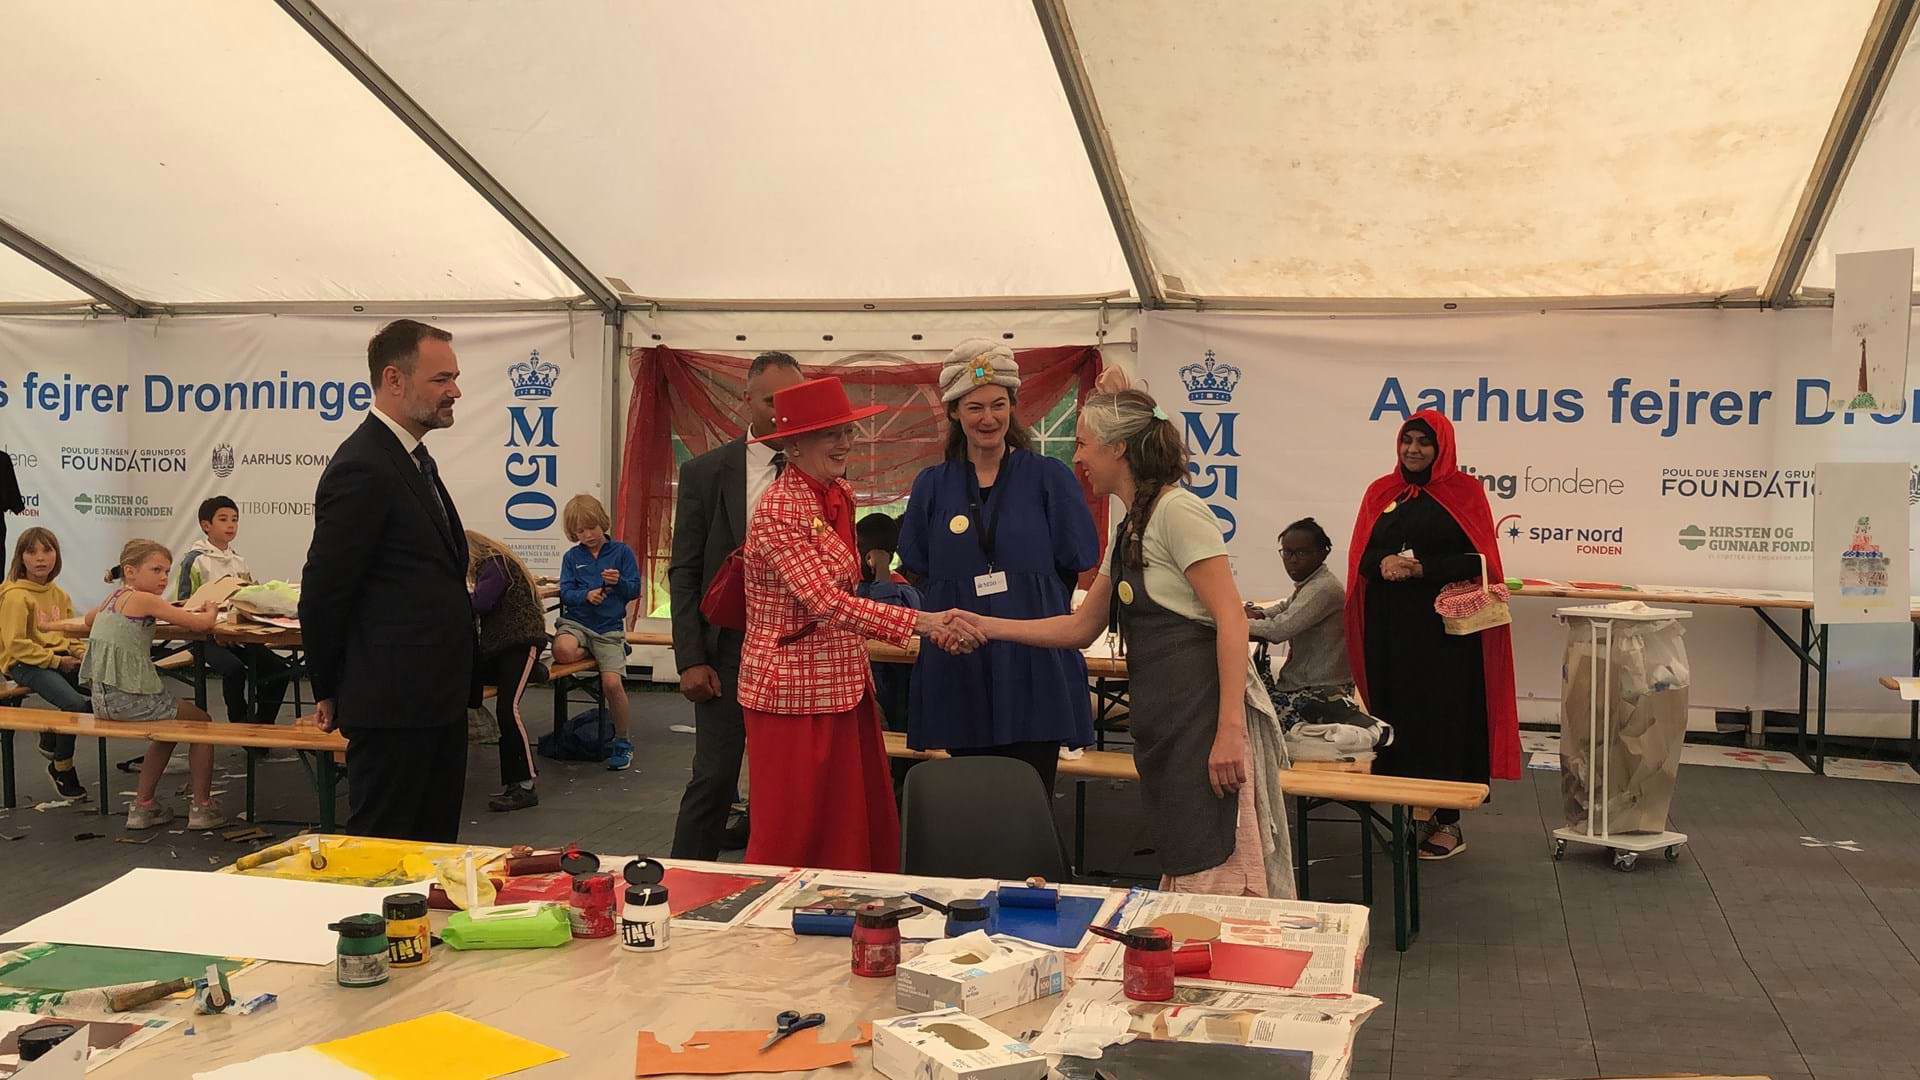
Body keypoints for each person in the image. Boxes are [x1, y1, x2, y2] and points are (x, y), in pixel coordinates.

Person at [959, 374, 1293, 897]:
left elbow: (1232, 619)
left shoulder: (1178, 512)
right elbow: (1080, 627)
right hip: (1169, 727)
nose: (1078, 458)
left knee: (1215, 864)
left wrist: (1230, 731)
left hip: (1203, 724)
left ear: (1118, 448)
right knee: (1189, 857)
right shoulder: (1132, 525)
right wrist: (985, 624)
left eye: (1084, 444)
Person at [738, 375, 979, 872]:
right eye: (830, 433)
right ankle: (774, 912)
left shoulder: (838, 493)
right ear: (794, 445)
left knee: (850, 820)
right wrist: (921, 622)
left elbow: (848, 591)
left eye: (846, 430)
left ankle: (848, 904)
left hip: (844, 682)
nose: (845, 441)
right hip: (791, 693)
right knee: (792, 828)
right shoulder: (778, 509)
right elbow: (825, 602)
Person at [300, 319, 477, 843]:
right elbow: (325, 590)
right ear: (394, 380)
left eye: (455, 377)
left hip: (433, 699)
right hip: (393, 704)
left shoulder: (411, 459)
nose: (455, 391)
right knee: (382, 852)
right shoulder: (364, 466)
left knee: (434, 850)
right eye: (441, 379)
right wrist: (327, 687)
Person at [897, 340, 1099, 796]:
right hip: (961, 660)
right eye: (975, 407)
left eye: (998, 405)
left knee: (1030, 794)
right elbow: (917, 564)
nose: (988, 418)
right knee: (974, 797)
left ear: (1012, 407)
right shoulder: (932, 485)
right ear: (954, 412)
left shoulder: (1049, 477)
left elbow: (1077, 557)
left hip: (1033, 659)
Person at [1345, 409, 1519, 860]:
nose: (1414, 449)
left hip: (1444, 637)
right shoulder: (1381, 492)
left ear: (1442, 448)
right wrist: (1383, 562)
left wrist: (1423, 569)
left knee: (1445, 719)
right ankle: (1406, 813)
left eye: (1424, 442)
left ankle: (1447, 822)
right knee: (1397, 715)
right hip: (1390, 631)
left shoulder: (1465, 492)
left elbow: (1479, 561)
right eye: (1408, 440)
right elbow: (1362, 554)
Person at [667, 351, 806, 860]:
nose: (783, 413)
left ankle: (786, 881)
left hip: (798, 650)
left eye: (793, 401)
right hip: (727, 650)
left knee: (791, 782)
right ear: (746, 400)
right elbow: (684, 571)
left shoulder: (819, 470)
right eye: (772, 402)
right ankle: (683, 883)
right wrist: (691, 658)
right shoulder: (705, 473)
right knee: (714, 777)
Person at [83, 539, 223, 830]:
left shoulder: (113, 598)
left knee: (168, 731)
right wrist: (211, 610)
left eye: (167, 571)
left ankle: (143, 805)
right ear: (130, 571)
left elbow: (87, 619)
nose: (163, 578)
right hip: (131, 701)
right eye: (156, 570)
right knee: (202, 724)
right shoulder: (146, 600)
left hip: (102, 700)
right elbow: (202, 625)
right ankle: (202, 807)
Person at [174, 496, 292, 727]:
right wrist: (214, 626)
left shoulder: (238, 561)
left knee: (279, 669)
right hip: (204, 637)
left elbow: (248, 599)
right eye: (223, 519)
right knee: (234, 669)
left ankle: (261, 724)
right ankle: (239, 721)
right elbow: (184, 604)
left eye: (235, 519)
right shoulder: (195, 560)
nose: (231, 525)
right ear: (206, 525)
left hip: (237, 635)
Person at [1245, 518, 1369, 727]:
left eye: (1301, 553)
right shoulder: (1313, 583)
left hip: (1319, 694)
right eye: (1287, 552)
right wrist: (1259, 614)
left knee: (1245, 712)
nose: (1292, 560)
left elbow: (1279, 630)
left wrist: (1230, 622)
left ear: (1323, 553)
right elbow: (1285, 607)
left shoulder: (1323, 589)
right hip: (1310, 686)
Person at [0, 527, 90, 800]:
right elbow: (16, 645)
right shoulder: (15, 596)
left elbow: (69, 634)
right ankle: (62, 767)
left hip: (58, 658)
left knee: (101, 696)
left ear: (56, 555)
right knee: (75, 705)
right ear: (21, 557)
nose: (40, 558)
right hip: (25, 663)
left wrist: (82, 655)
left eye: (47, 550)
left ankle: (51, 733)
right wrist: (56, 661)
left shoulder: (59, 594)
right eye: (32, 552)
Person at [553, 494, 640, 771]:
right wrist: (585, 595)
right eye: (580, 531)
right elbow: (565, 592)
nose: (587, 535)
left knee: (611, 684)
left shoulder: (622, 552)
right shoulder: (571, 557)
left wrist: (619, 583)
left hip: (608, 627)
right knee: (561, 650)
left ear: (602, 523)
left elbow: (634, 590)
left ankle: (623, 742)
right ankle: (594, 651)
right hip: (577, 623)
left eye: (591, 528)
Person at [467, 531, 549, 813]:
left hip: (518, 643)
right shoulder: (500, 563)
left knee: (508, 709)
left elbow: (482, 603)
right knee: (498, 702)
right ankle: (517, 782)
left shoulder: (494, 564)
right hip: (504, 646)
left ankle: (525, 784)